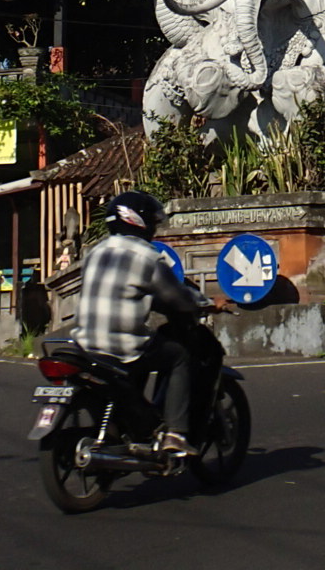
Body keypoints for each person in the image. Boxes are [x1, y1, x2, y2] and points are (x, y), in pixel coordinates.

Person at [70, 192, 223, 455]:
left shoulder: (94, 253)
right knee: (179, 355)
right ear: (140, 222)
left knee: (149, 345)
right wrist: (208, 303)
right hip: (122, 345)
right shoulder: (146, 256)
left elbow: (126, 292)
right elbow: (177, 298)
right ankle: (175, 434)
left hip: (83, 344)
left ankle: (132, 424)